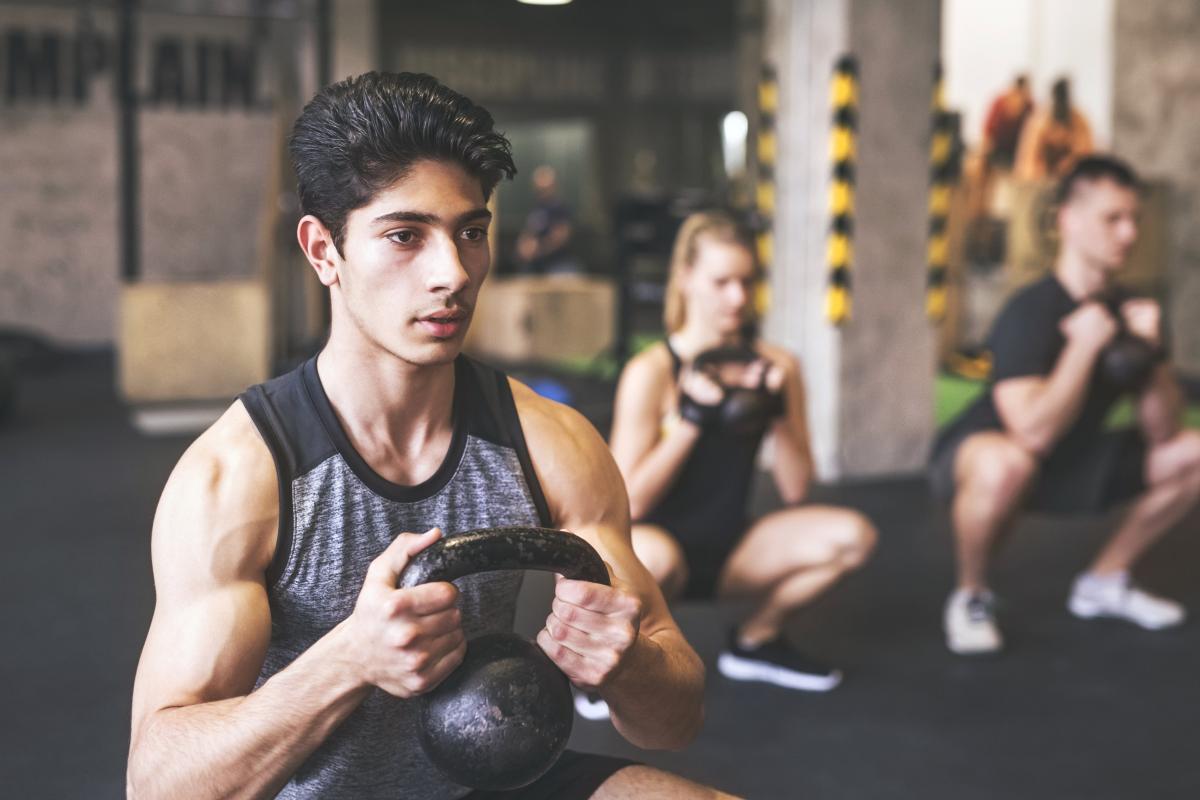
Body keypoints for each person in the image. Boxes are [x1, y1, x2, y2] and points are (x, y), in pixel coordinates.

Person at [126, 72, 728, 800]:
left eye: (471, 232)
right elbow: (159, 784)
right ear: (324, 251)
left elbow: (676, 718)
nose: (453, 273)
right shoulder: (239, 479)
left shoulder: (550, 443)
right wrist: (347, 660)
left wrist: (629, 664)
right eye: (405, 235)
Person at [930, 155, 1200, 656]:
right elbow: (1031, 433)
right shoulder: (1030, 310)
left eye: (1134, 219)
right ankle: (970, 594)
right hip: (996, 454)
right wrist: (1082, 348)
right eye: (1112, 219)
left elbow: (1163, 431)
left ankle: (1104, 581)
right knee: (1005, 462)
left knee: (1193, 452)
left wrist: (1153, 355)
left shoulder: (1134, 309)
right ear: (1067, 221)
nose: (1128, 233)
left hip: (1075, 456)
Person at [608, 211, 877, 693]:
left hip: (733, 550)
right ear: (686, 279)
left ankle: (755, 640)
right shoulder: (651, 371)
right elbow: (625, 503)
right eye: (721, 282)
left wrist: (775, 408)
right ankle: (617, 669)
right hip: (656, 552)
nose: (737, 297)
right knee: (655, 558)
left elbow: (796, 488)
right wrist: (691, 418)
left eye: (746, 281)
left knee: (852, 536)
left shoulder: (777, 366)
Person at [1014, 77, 1093, 181]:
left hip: (1071, 179)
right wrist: (1043, 175)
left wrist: (1069, 165)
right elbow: (1028, 161)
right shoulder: (1039, 122)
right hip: (1042, 181)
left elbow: (1085, 155)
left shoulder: (1079, 121)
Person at [515, 164, 582, 275]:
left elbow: (561, 238)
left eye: (544, 189)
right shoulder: (536, 209)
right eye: (539, 189)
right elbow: (528, 232)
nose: (541, 192)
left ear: (554, 186)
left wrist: (538, 248)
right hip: (535, 265)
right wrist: (522, 246)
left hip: (559, 263)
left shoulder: (561, 208)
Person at [982, 74, 1034, 171]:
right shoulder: (999, 104)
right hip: (997, 151)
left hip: (1018, 153)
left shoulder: (1030, 107)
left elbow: (1032, 140)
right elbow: (987, 137)